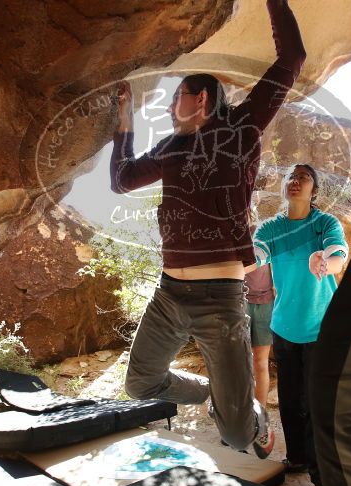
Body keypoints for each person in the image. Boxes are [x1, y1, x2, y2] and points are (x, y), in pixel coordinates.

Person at [110, 0, 306, 458]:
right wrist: (125, 120)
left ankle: (250, 419)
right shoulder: (170, 146)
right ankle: (216, 394)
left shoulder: (240, 125)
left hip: (220, 299)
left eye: (176, 95)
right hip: (169, 294)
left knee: (237, 437)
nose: (170, 105)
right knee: (141, 383)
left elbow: (292, 59)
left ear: (200, 99)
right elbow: (121, 181)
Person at [253, 164, 348, 486]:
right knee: (291, 402)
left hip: (322, 330)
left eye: (304, 177)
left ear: (314, 190)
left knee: (317, 406)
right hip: (284, 329)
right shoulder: (271, 228)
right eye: (291, 176)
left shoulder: (324, 223)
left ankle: (324, 482)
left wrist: (326, 260)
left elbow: (339, 254)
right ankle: (297, 457)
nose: (295, 181)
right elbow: (258, 253)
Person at [244, 207, 274, 408]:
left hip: (265, 304)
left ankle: (259, 415)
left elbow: (276, 270)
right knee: (238, 363)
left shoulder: (263, 234)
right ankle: (239, 416)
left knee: (260, 362)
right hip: (239, 304)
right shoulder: (227, 237)